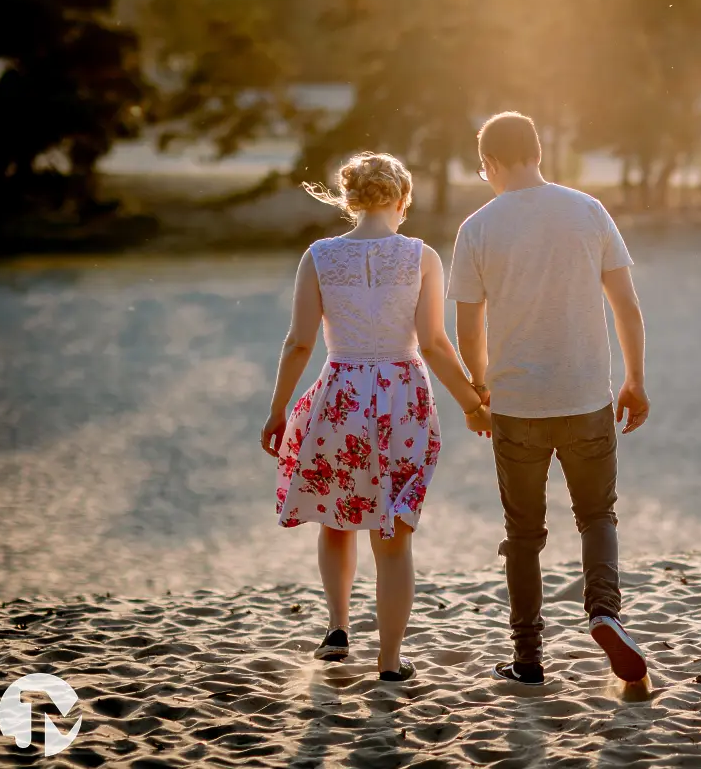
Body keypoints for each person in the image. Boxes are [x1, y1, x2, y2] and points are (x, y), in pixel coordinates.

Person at [260, 152, 491, 682]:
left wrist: (277, 410)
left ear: (350, 201)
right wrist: (473, 404)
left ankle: (338, 628)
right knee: (393, 535)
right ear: (403, 199)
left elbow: (298, 343)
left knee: (338, 518)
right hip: (401, 396)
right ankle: (389, 661)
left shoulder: (318, 256)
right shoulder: (420, 256)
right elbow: (433, 343)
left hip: (339, 394)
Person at [447, 112, 651, 686]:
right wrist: (635, 379)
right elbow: (627, 307)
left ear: (487, 163)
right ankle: (605, 613)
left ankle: (528, 658)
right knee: (596, 515)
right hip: (587, 397)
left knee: (523, 536)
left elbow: (468, 329)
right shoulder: (588, 210)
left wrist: (481, 390)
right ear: (538, 152)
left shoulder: (477, 228)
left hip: (517, 406)